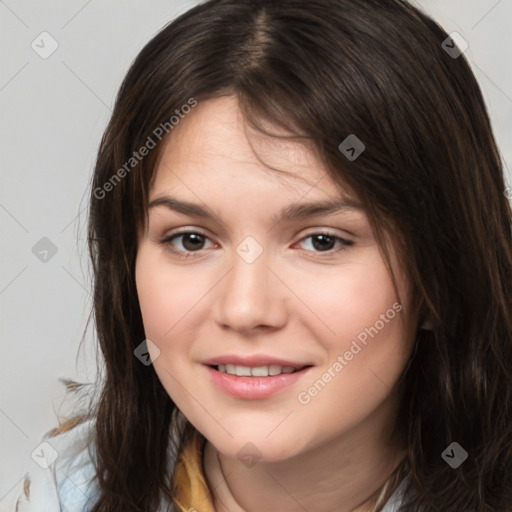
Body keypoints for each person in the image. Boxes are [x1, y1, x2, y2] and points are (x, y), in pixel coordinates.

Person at [14, 0, 512, 511]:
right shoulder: (67, 493)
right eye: (191, 239)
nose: (245, 309)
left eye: (322, 241)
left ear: (442, 274)